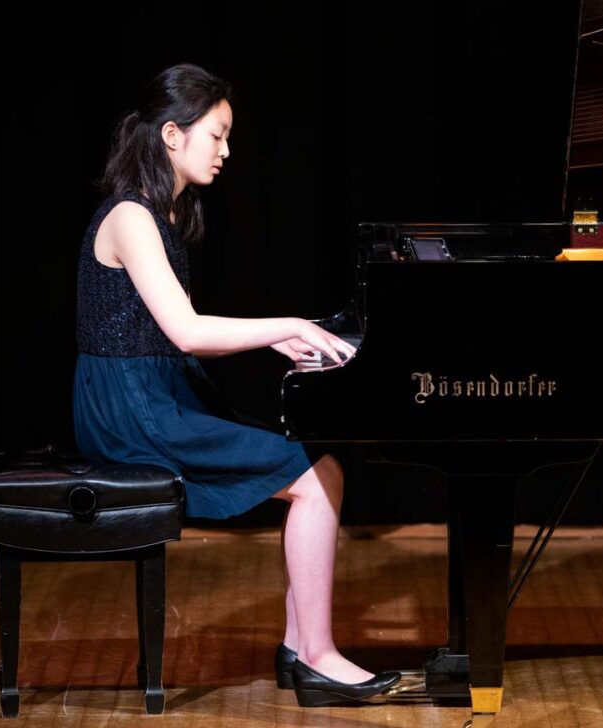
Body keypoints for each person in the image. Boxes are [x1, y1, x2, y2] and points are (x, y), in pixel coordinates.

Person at [72, 62, 400, 707]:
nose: (227, 150)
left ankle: (302, 645)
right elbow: (188, 332)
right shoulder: (132, 217)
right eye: (216, 135)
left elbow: (177, 333)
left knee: (319, 469)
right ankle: (316, 654)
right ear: (172, 135)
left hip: (154, 394)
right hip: (131, 411)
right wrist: (287, 324)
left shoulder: (162, 213)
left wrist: (279, 338)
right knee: (315, 478)